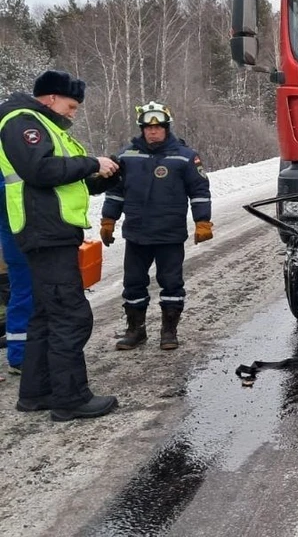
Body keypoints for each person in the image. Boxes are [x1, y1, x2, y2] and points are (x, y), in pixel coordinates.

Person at [0, 69, 121, 421]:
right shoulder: (24, 122)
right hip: (45, 232)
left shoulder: (42, 126)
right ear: (51, 97)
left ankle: (36, 393)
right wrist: (91, 163)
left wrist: (102, 176)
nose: (73, 112)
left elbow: (63, 181)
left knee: (45, 313)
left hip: (49, 231)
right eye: (71, 105)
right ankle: (70, 398)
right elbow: (41, 170)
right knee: (70, 314)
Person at [100, 101, 212, 352]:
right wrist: (109, 219)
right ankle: (135, 330)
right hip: (136, 234)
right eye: (148, 128)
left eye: (158, 127)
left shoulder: (185, 157)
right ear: (141, 129)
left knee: (171, 284)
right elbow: (115, 192)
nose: (153, 132)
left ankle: (169, 331)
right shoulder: (126, 156)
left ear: (166, 127)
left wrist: (202, 221)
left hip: (169, 234)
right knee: (133, 284)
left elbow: (200, 190)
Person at [0, 171, 33, 377]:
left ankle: (26, 352)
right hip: (18, 240)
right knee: (24, 296)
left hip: (26, 237)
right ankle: (19, 356)